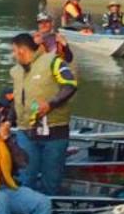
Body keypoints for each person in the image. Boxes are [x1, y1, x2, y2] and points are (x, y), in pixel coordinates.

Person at [8, 30, 77, 194]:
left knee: (51, 179)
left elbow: (70, 85)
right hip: (26, 132)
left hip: (54, 130)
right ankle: (27, 211)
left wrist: (50, 104)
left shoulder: (53, 62)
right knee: (25, 177)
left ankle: (51, 209)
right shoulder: (15, 71)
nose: (13, 54)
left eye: (13, 50)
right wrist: (7, 120)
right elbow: (18, 97)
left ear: (21, 50)